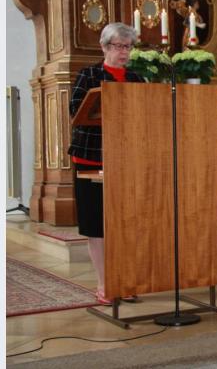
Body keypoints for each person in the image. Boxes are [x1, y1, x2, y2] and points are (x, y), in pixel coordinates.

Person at [68, 23, 144, 305]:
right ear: (104, 47)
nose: (123, 52)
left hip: (128, 160)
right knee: (96, 223)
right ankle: (104, 283)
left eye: (127, 46)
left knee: (126, 222)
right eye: (117, 46)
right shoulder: (88, 74)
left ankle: (124, 279)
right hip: (91, 156)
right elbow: (76, 109)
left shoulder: (136, 78)